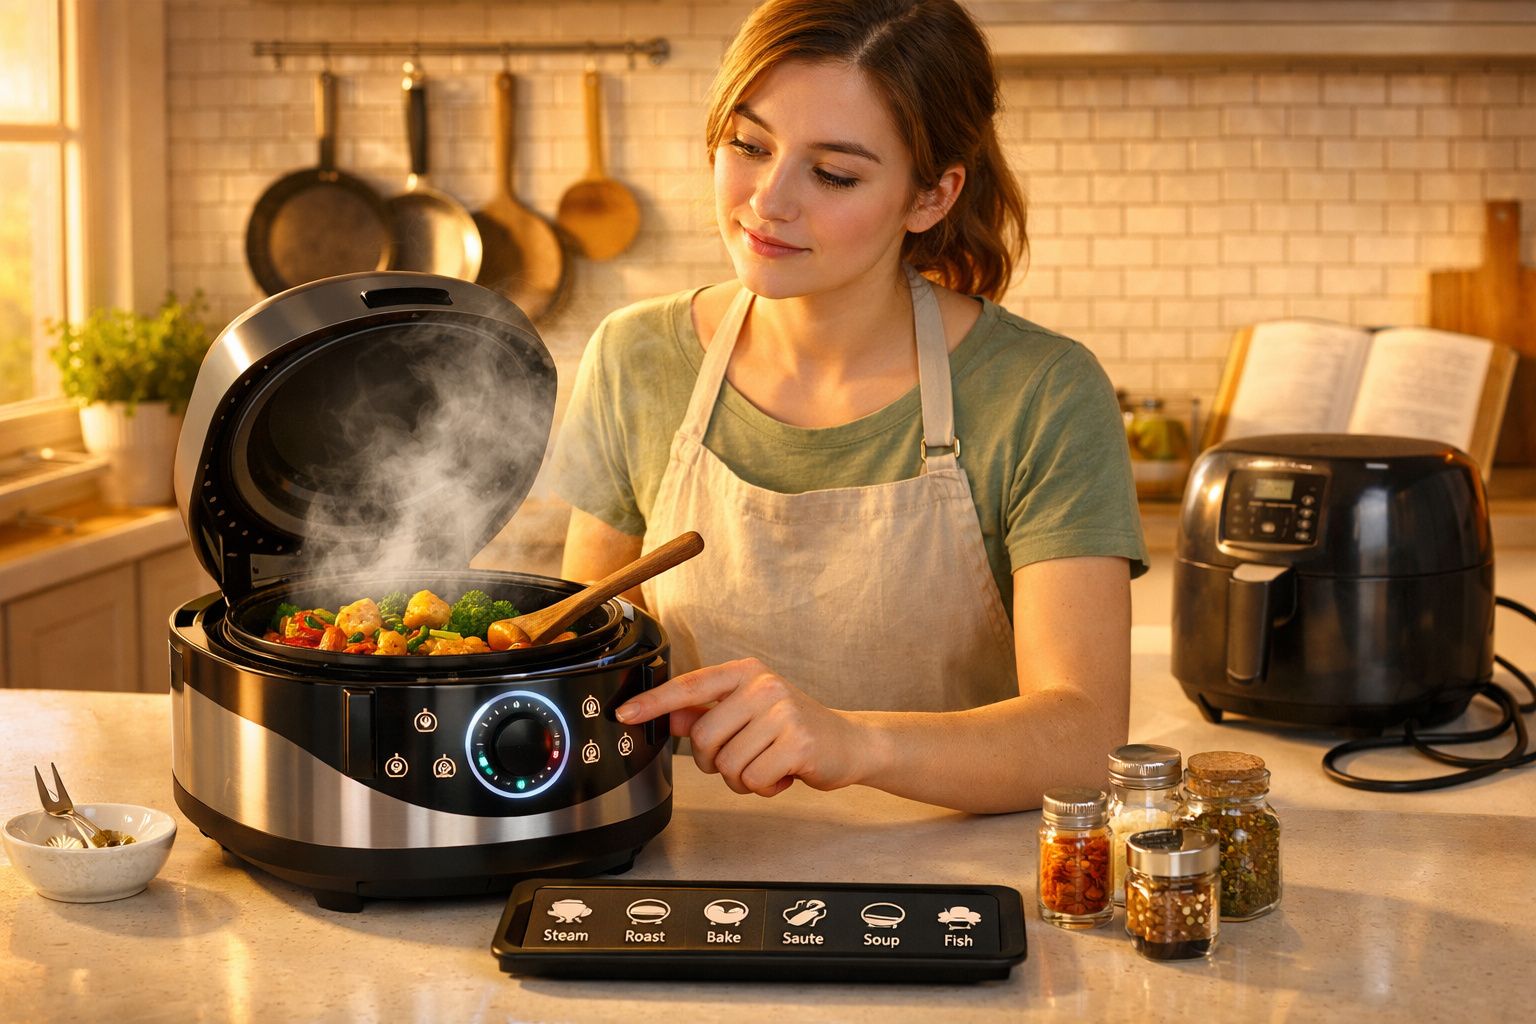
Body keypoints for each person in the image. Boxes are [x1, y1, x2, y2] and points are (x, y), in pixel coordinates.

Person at [551, 0, 1147, 814]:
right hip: (692, 865)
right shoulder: (636, 358)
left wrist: (854, 743)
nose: (768, 201)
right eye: (748, 145)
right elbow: (582, 668)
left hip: (960, 888)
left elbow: (1083, 737)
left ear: (932, 197)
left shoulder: (1042, 391)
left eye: (833, 174)